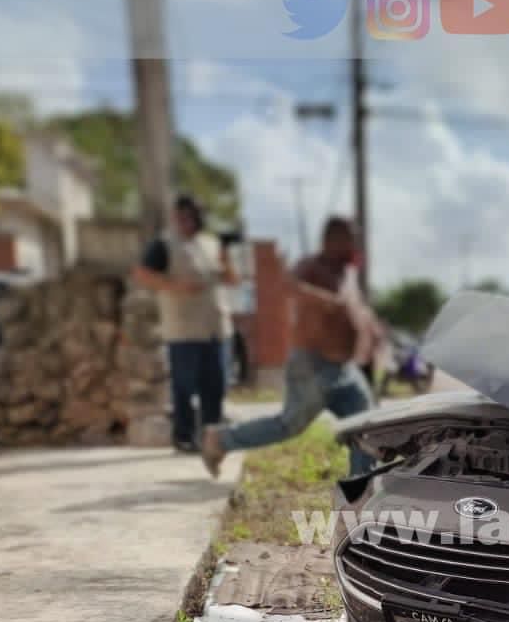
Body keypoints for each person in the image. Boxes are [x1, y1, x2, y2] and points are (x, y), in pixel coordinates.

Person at [201, 217, 380, 479]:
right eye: (350, 237)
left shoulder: (347, 272)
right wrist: (327, 301)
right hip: (312, 365)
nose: (355, 243)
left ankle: (363, 487)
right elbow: (287, 287)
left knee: (368, 425)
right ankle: (220, 439)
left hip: (344, 369)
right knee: (288, 425)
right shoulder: (313, 266)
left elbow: (354, 310)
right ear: (333, 240)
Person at [133, 195, 238, 452]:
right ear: (175, 217)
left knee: (215, 385)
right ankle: (183, 437)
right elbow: (142, 274)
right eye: (183, 216)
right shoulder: (164, 244)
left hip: (215, 328)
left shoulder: (210, 243)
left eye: (193, 216)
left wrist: (226, 260)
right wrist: (175, 287)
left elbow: (232, 279)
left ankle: (212, 437)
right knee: (184, 387)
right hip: (184, 330)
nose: (188, 222)